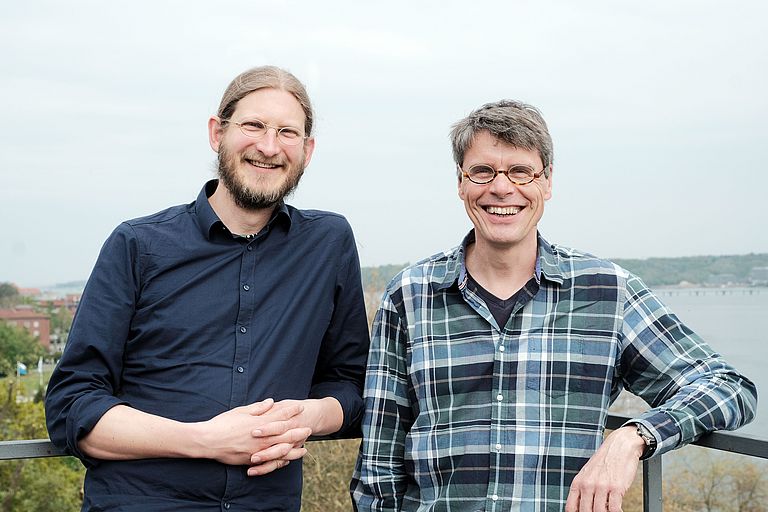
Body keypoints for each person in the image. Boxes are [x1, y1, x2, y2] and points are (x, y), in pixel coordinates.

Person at [350, 100, 758, 512]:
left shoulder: (607, 293)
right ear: (461, 182)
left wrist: (634, 436)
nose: (501, 188)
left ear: (546, 182)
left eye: (521, 171)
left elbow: (728, 388)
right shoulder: (411, 294)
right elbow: (379, 465)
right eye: (482, 171)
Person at [45, 65, 370, 511]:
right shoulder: (137, 245)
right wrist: (205, 440)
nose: (269, 146)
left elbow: (353, 386)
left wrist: (308, 416)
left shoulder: (327, 244)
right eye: (253, 125)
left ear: (308, 150)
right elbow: (72, 405)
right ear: (218, 132)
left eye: (287, 132)